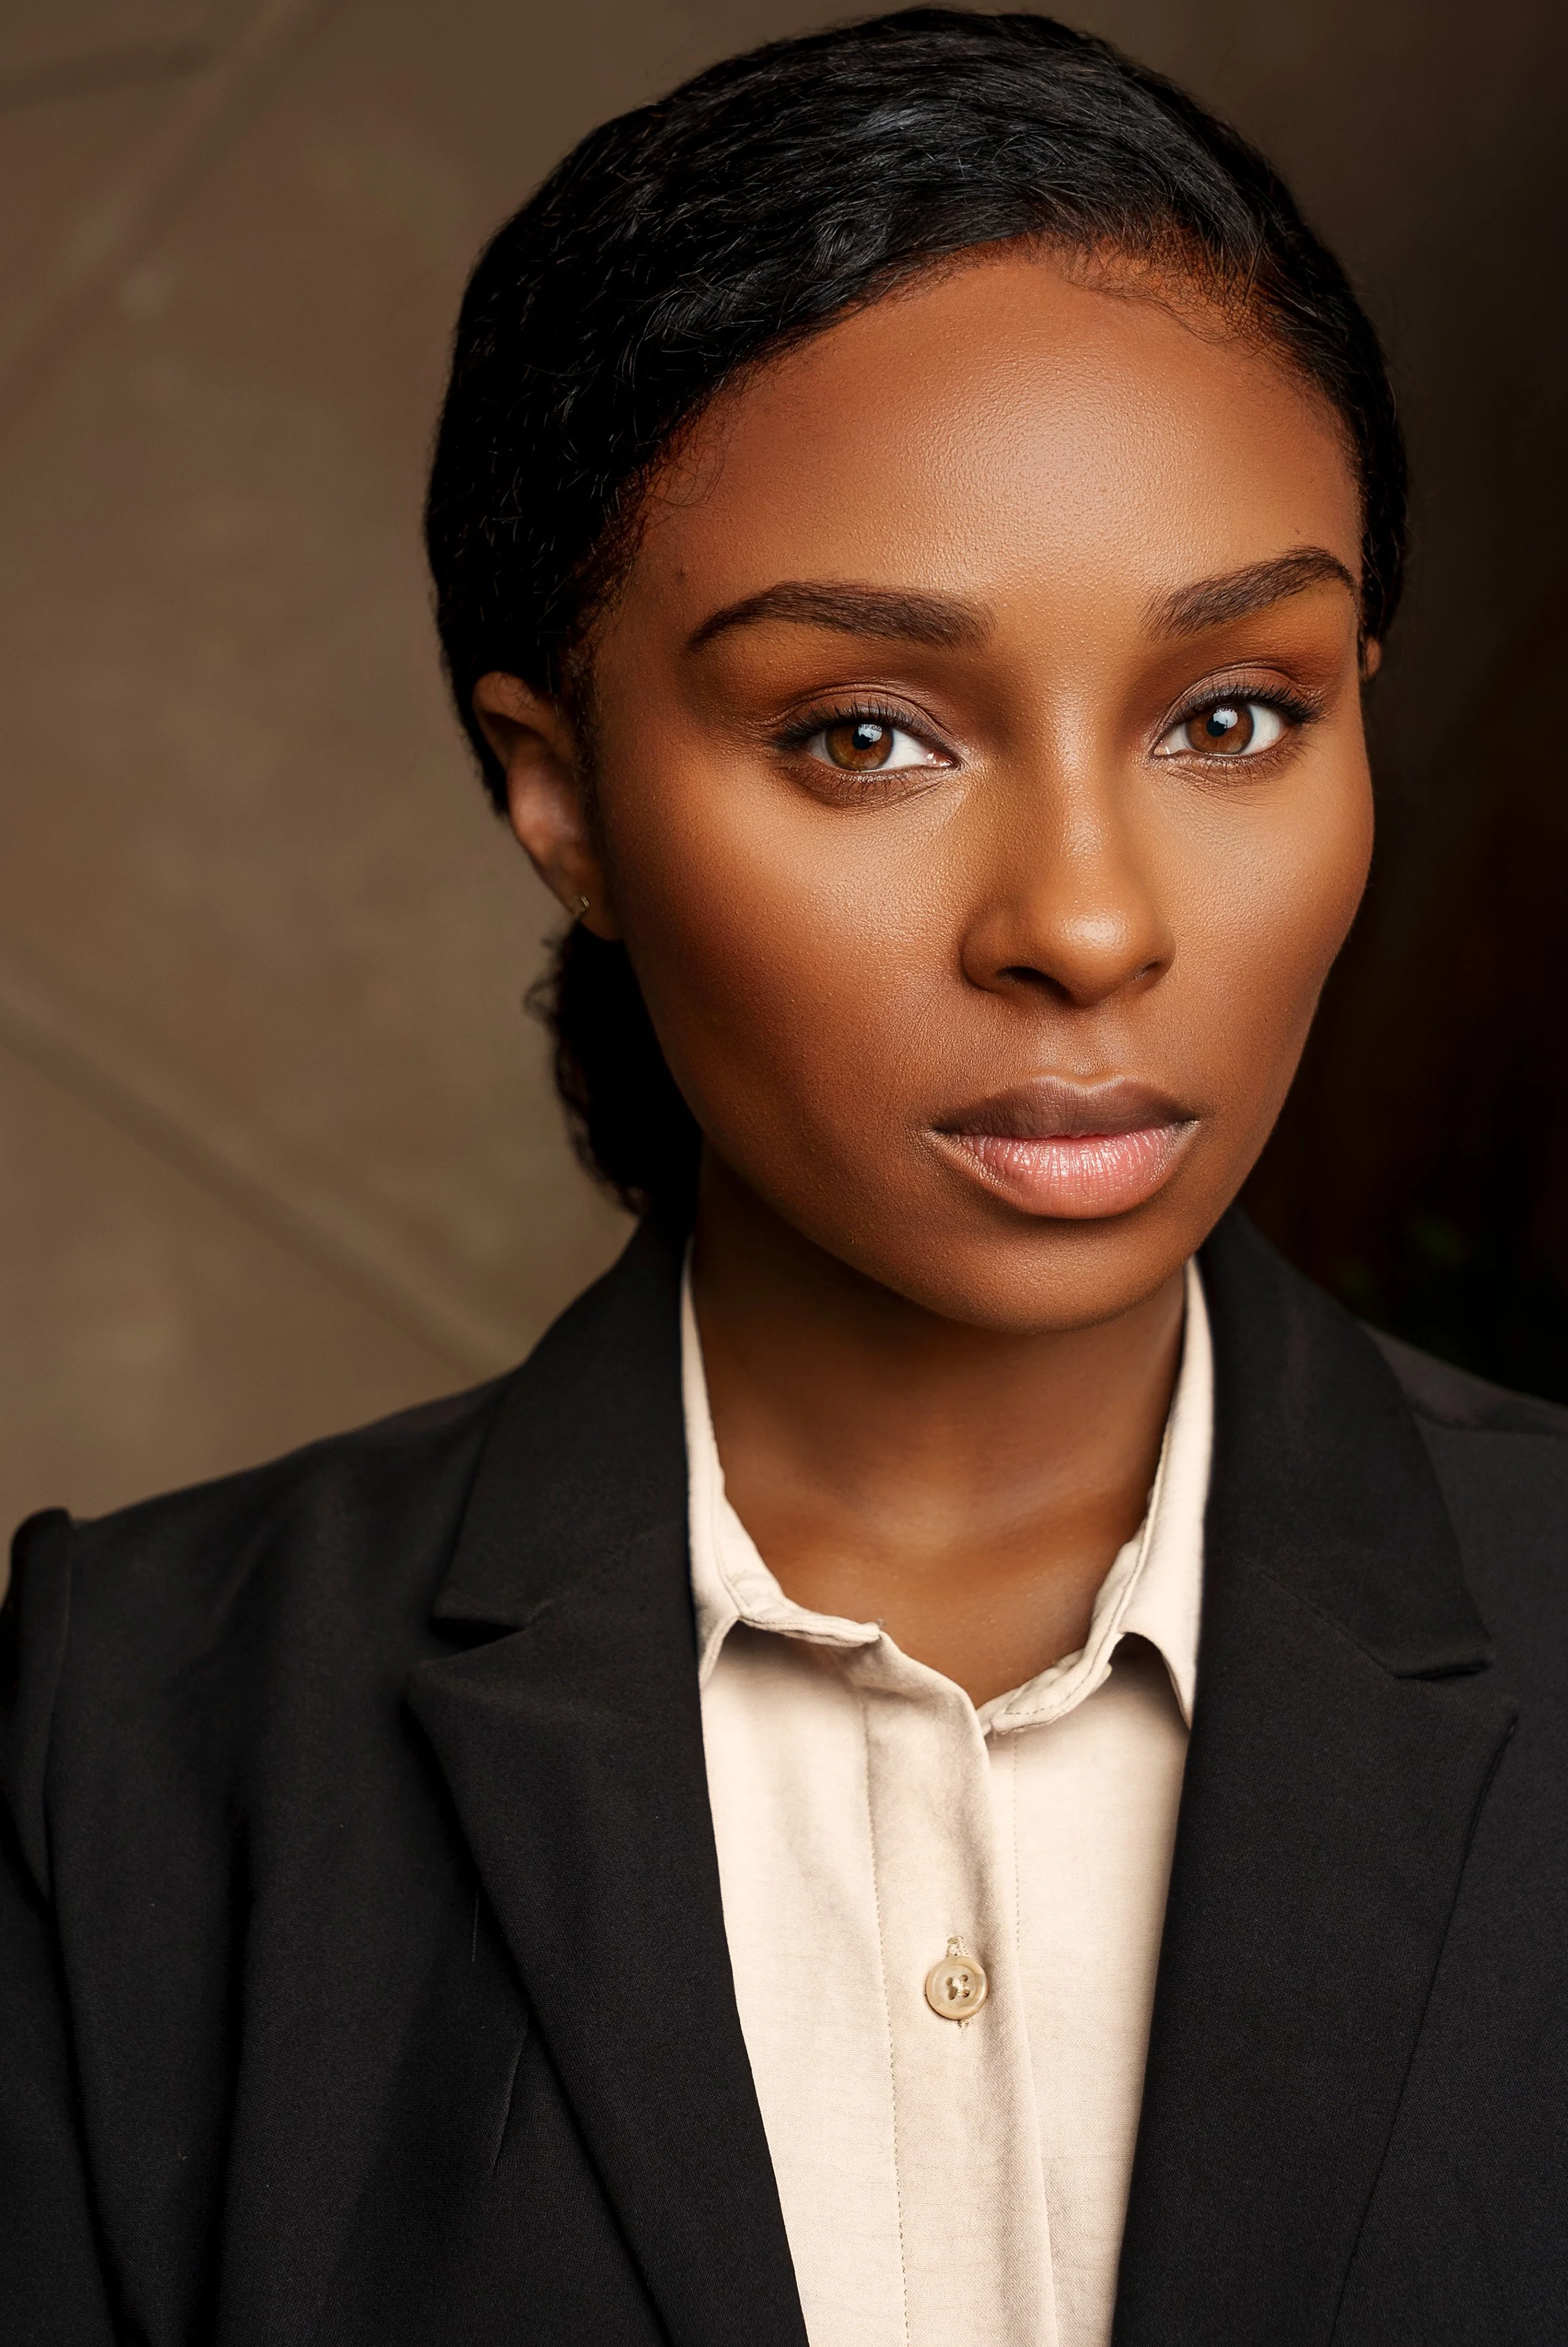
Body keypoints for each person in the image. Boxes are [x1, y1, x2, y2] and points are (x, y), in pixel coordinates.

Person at [3, 11, 1565, 2343]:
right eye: (865, 733)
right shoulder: (122, 1743)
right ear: (560, 799)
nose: (1091, 919)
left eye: (1233, 712)